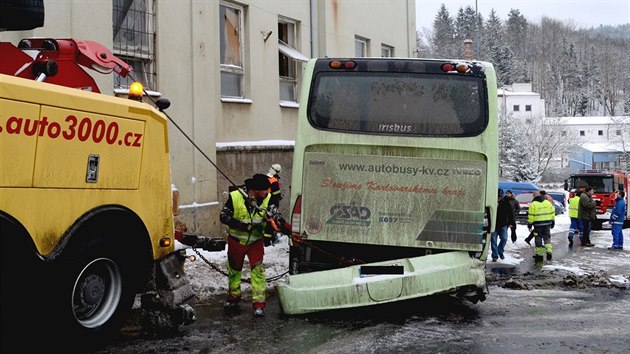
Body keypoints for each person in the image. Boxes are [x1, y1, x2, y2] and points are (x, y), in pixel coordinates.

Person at [219, 173, 272, 317]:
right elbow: (223, 216)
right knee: (234, 270)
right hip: (237, 241)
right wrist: (240, 225)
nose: (267, 193)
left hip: (256, 242)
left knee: (258, 271)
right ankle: (233, 297)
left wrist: (272, 223)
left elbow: (274, 216)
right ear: (255, 190)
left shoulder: (267, 199)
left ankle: (259, 304)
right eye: (265, 190)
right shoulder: (235, 196)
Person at [527, 190, 556, 262]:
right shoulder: (548, 203)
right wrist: (553, 221)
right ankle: (549, 251)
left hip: (538, 225)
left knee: (538, 238)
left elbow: (531, 215)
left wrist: (530, 224)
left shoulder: (533, 204)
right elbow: (552, 212)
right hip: (547, 224)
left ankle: (539, 255)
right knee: (547, 237)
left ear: (534, 196)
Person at [491, 188, 516, 262]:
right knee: (493, 240)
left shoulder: (505, 202)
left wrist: (511, 223)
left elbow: (510, 213)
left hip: (503, 224)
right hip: (493, 224)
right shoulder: (492, 201)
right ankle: (495, 256)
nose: (499, 197)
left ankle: (500, 251)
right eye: (498, 196)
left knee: (504, 238)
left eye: (500, 196)